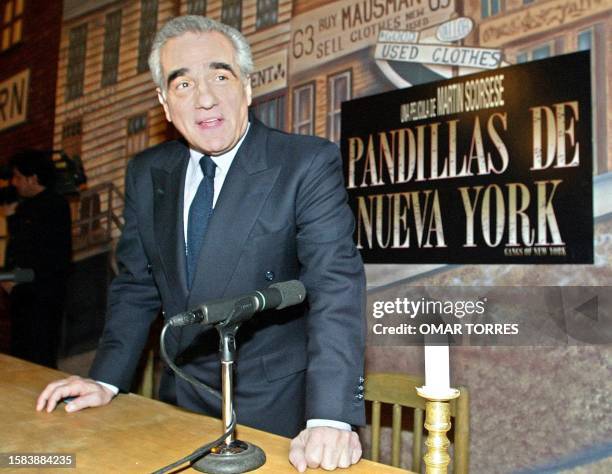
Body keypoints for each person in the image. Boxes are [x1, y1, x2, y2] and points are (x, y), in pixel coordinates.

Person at [36, 15, 366, 472]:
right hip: (178, 400)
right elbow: (136, 285)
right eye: (183, 84)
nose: (205, 97)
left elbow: (335, 287)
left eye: (220, 75)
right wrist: (106, 381)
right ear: (164, 103)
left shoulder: (305, 163)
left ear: (247, 87)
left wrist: (330, 416)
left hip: (279, 412)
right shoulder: (147, 171)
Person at [3, 150, 72, 368]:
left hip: (39, 296)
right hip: (27, 293)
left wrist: (16, 279)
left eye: (18, 177)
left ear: (32, 178)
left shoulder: (51, 206)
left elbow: (45, 256)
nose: (14, 183)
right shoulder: (32, 207)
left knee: (36, 357)